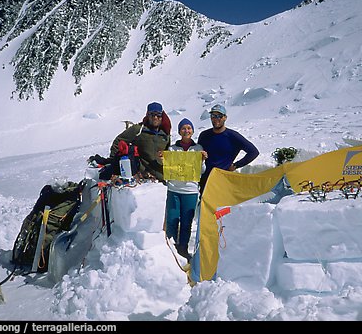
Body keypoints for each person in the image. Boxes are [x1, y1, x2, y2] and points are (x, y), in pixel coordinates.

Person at [162, 118, 207, 261]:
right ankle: (171, 248)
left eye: (189, 128)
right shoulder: (172, 149)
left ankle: (183, 249)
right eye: (183, 128)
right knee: (172, 219)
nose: (186, 131)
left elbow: (201, 171)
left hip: (191, 191)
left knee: (187, 222)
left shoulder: (198, 149)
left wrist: (203, 161)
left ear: (192, 131)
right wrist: (164, 159)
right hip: (174, 189)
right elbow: (167, 168)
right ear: (179, 131)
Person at [197, 104, 259, 194]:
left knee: (221, 208)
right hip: (205, 182)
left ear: (225, 118)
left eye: (219, 116)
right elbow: (198, 157)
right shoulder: (204, 135)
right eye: (213, 116)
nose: (216, 119)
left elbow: (253, 152)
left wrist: (236, 165)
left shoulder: (232, 136)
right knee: (203, 208)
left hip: (223, 181)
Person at [109, 102, 171, 182]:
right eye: (152, 114)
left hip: (162, 177)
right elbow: (118, 142)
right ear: (147, 115)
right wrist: (114, 166)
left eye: (158, 115)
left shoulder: (165, 135)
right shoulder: (138, 130)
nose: (155, 117)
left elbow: (168, 154)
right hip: (144, 177)